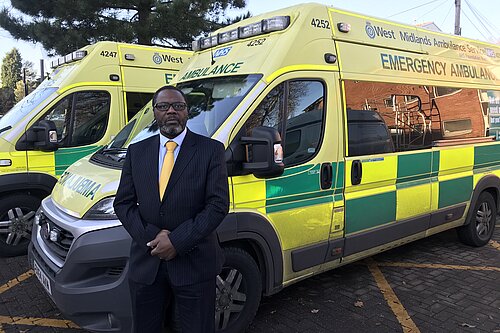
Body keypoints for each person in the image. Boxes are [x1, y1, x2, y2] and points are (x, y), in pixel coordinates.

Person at [114, 85, 229, 333]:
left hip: (195, 265)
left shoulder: (211, 150)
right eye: (163, 106)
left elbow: (218, 205)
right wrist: (153, 239)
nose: (171, 111)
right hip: (147, 263)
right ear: (155, 113)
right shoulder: (137, 152)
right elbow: (123, 203)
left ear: (188, 112)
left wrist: (176, 241)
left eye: (178, 106)